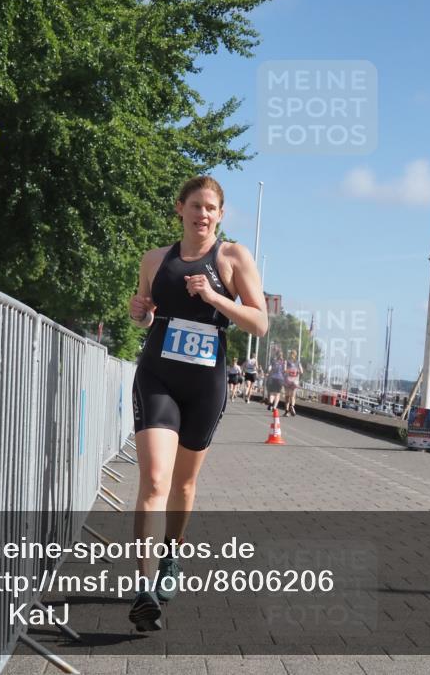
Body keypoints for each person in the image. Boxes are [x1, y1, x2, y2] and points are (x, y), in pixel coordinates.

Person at [126, 175, 267, 631]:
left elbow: (259, 323)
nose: (202, 214)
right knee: (153, 479)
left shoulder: (231, 257)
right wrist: (140, 312)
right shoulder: (154, 259)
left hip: (205, 383)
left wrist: (212, 297)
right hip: (157, 375)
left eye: (211, 208)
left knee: (183, 487)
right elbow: (149, 314)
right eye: (195, 206)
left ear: (220, 215)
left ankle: (171, 556)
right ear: (180, 208)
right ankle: (143, 588)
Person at [282, 349, 303, 416]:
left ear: (290, 354)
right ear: (295, 355)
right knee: (293, 396)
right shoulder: (298, 362)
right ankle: (292, 406)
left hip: (287, 380)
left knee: (287, 396)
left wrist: (289, 371)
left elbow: (284, 370)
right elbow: (301, 371)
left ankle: (286, 411)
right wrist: (296, 372)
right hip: (295, 381)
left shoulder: (286, 361)